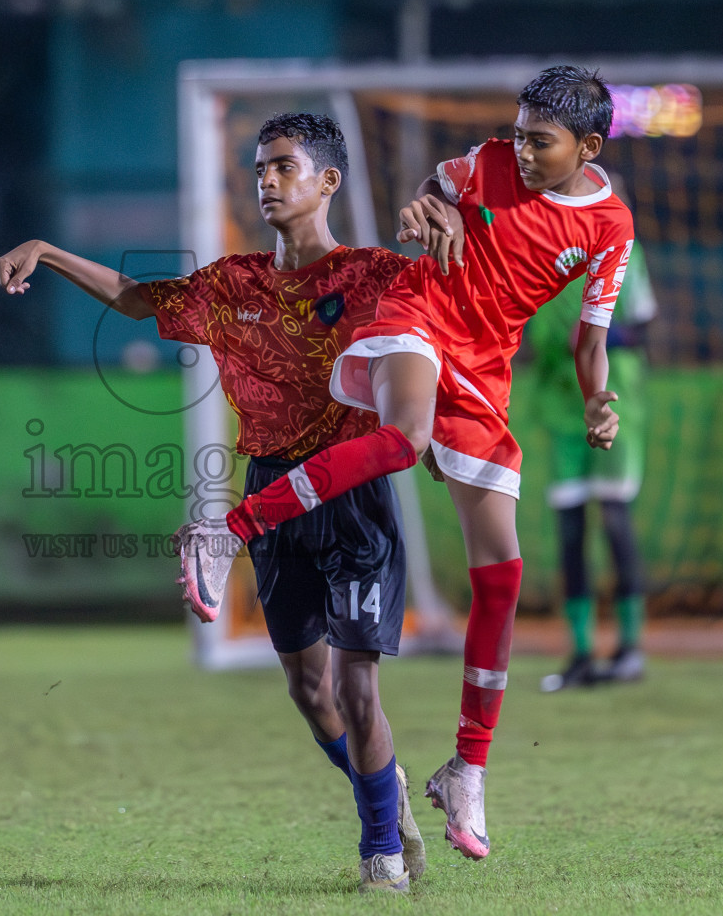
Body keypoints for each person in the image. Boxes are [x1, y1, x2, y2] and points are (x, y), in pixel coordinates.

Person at [0, 113, 462, 892]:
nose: (267, 180)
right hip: (271, 493)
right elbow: (139, 299)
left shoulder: (379, 275)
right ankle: (382, 793)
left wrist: (450, 214)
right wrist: (44, 250)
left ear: (327, 182)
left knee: (355, 684)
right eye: (258, 168)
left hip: (351, 491)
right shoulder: (231, 283)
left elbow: (441, 341)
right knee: (310, 693)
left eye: (283, 166)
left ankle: (380, 849)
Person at [185, 66, 635, 862]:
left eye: (541, 141)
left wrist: (596, 397)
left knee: (502, 566)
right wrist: (428, 201)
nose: (522, 150)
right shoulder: (491, 159)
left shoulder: (609, 226)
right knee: (402, 438)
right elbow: (439, 180)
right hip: (418, 314)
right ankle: (229, 532)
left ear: (588, 146)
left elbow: (590, 334)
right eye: (520, 133)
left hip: (485, 362)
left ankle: (467, 767)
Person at [530, 238, 656, 691]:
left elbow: (644, 326)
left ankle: (629, 649)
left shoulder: (624, 248)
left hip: (612, 401)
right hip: (560, 407)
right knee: (569, 529)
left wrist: (602, 336)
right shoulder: (538, 245)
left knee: (616, 521)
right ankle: (581, 652)